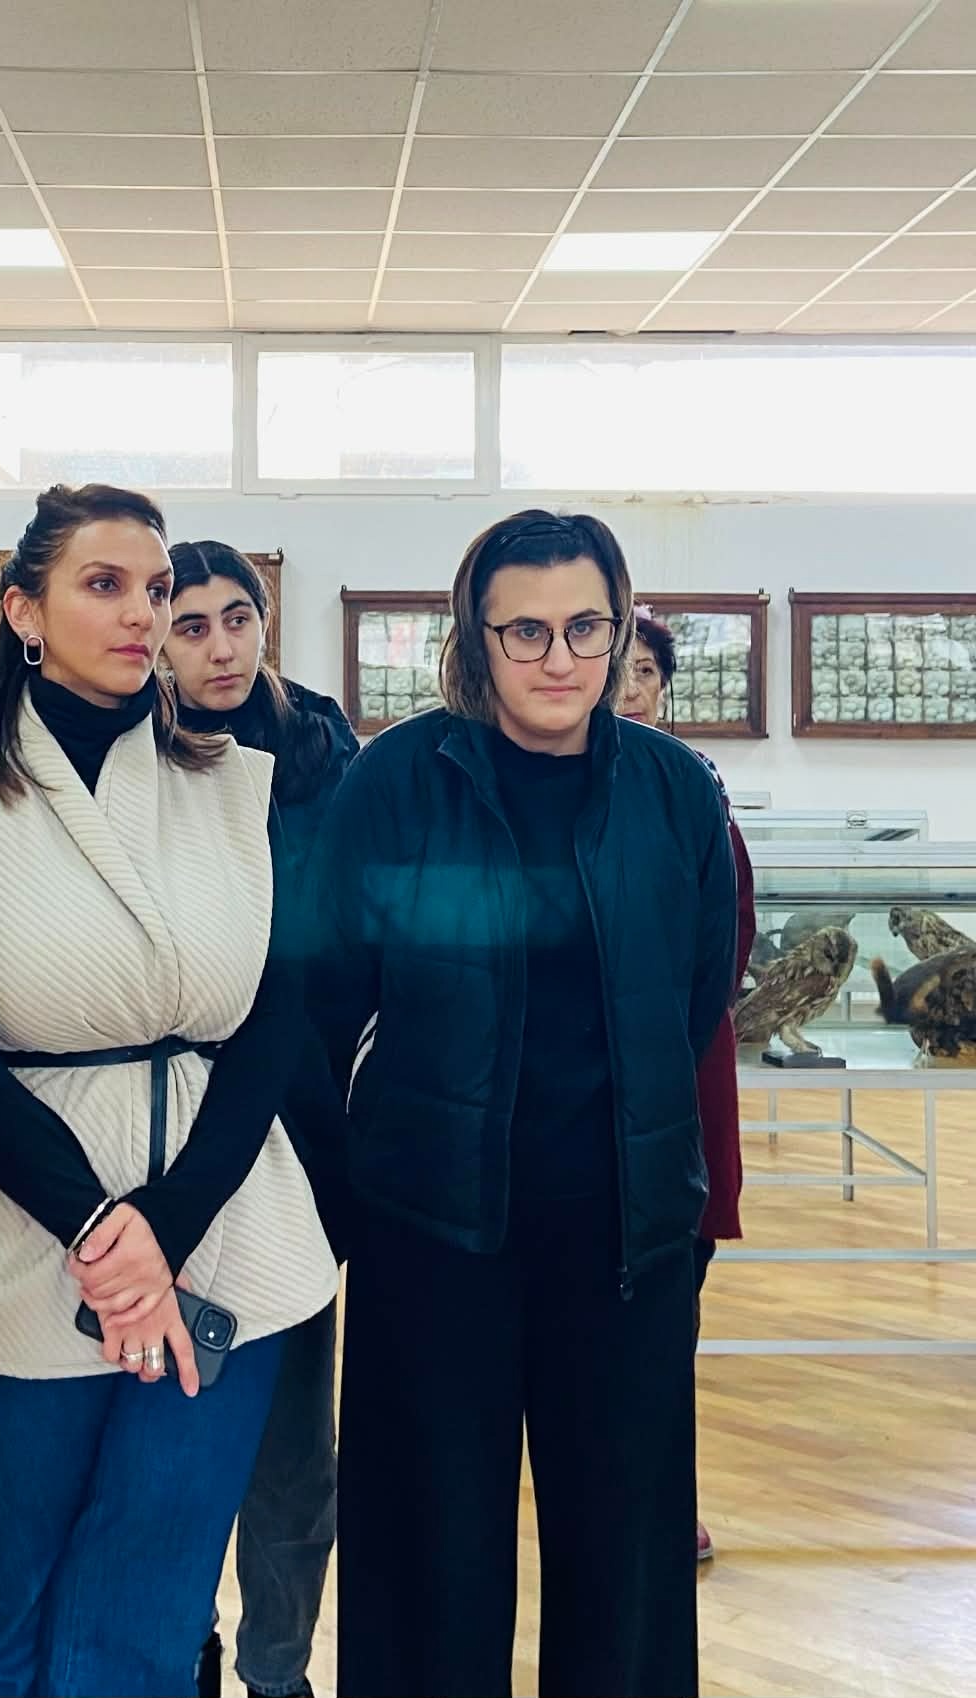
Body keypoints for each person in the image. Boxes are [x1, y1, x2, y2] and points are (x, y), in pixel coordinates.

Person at [294, 510, 737, 1696]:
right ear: (473, 638)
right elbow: (320, 1000)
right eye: (524, 630)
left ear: (619, 628)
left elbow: (694, 994)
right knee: (426, 1566)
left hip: (625, 1244)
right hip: (435, 1240)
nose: (557, 658)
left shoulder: (673, 793)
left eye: (585, 626)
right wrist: (353, 1200)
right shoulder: (396, 781)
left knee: (625, 1567)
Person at [0, 485, 339, 1698]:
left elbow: (272, 1023)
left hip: (224, 1231)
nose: (143, 614)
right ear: (22, 612)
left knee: (151, 1600)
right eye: (104, 585)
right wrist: (102, 1232)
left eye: (155, 589)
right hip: (20, 1232)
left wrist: (171, 1224)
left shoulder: (238, 785)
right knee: (17, 1591)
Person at [164, 540, 357, 1698]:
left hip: (301, 1130)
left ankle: (277, 1672)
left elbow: (353, 944)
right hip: (165, 1133)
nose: (220, 646)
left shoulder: (323, 749)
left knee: (291, 1447)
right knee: (175, 1432)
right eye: (190, 625)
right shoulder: (132, 754)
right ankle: (179, 1650)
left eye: (236, 618)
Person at [619, 606, 758, 1565]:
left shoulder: (697, 795)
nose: (630, 688)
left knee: (670, 1315)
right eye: (618, 668)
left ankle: (666, 1500)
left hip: (677, 1084)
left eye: (645, 672)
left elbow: (726, 946)